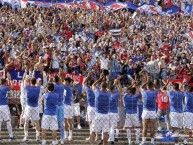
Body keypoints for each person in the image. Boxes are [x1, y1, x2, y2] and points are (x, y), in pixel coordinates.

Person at [90, 74, 111, 145]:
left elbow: (93, 85)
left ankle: (92, 144)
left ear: (100, 86)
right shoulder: (108, 94)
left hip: (98, 114)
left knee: (93, 131)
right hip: (106, 115)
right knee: (105, 132)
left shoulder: (97, 92)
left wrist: (100, 78)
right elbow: (108, 88)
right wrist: (105, 81)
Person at [140, 79, 158, 145]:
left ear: (147, 86)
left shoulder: (144, 92)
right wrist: (152, 83)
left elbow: (141, 87)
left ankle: (143, 142)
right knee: (152, 127)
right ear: (152, 86)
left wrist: (146, 82)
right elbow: (157, 88)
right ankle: (152, 142)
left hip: (145, 111)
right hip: (153, 111)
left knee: (144, 127)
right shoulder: (155, 92)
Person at [23, 76, 41, 141]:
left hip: (29, 107)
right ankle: (37, 136)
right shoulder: (38, 88)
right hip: (35, 107)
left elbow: (25, 82)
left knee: (26, 121)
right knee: (37, 122)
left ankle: (26, 136)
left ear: (30, 82)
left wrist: (27, 78)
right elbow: (38, 84)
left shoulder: (28, 87)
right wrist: (36, 81)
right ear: (35, 82)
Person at [0, 74, 16, 140]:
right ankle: (11, 136)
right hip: (4, 106)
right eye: (6, 82)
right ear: (5, 83)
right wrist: (10, 79)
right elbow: (13, 86)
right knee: (8, 121)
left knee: (0, 121)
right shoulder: (5, 88)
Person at [108, 77, 122, 145]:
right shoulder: (116, 94)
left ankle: (110, 138)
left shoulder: (107, 94)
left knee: (109, 126)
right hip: (115, 112)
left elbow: (110, 89)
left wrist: (114, 83)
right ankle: (113, 139)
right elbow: (120, 90)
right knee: (114, 126)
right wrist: (118, 83)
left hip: (107, 112)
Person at [83, 73, 95, 140]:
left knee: (90, 123)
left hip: (90, 108)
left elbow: (84, 82)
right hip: (96, 108)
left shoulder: (88, 90)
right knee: (95, 123)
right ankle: (96, 136)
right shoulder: (96, 90)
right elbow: (97, 84)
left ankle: (91, 136)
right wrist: (93, 78)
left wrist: (88, 77)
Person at [53, 75, 65, 144]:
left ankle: (55, 139)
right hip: (61, 105)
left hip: (55, 106)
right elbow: (61, 82)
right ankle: (62, 139)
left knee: (55, 123)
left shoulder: (54, 86)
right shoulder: (62, 86)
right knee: (61, 123)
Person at [63, 77, 73, 142]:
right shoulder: (70, 88)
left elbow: (60, 83)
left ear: (68, 82)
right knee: (69, 122)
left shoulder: (66, 87)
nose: (64, 82)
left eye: (65, 81)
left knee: (66, 122)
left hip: (66, 106)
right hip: (70, 106)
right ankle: (70, 136)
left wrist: (60, 75)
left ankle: (66, 136)